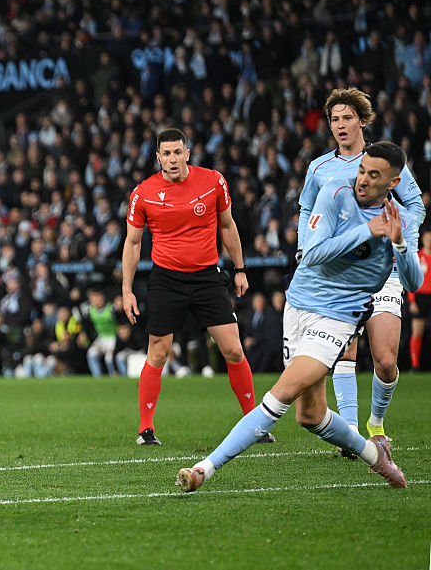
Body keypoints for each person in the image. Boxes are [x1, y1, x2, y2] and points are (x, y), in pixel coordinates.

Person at [178, 142, 418, 492]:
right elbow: (314, 253)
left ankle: (205, 468)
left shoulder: (403, 220)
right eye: (362, 169)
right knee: (311, 415)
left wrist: (397, 243)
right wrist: (368, 231)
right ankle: (375, 455)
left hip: (337, 318)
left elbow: (412, 281)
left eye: (374, 175)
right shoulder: (336, 194)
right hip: (299, 306)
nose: (362, 179)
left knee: (281, 394)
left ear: (393, 183)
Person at [122, 128, 270, 446]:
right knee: (158, 353)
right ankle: (145, 430)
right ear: (158, 157)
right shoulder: (143, 192)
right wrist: (126, 289)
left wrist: (240, 269)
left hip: (207, 277)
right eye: (166, 153)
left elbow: (228, 225)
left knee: (232, 348)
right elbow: (133, 243)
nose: (172, 158)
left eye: (178, 152)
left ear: (187, 153)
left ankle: (253, 424)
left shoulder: (213, 181)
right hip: (166, 279)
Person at [296, 88, 425, 454]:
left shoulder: (383, 160)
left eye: (347, 118)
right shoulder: (319, 168)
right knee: (345, 351)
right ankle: (351, 432)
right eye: (335, 118)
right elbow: (306, 209)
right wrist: (305, 246)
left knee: (385, 362)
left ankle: (377, 422)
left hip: (383, 268)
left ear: (362, 121)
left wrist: (402, 236)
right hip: (341, 272)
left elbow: (414, 202)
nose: (340, 125)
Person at [405, 231, 431, 371]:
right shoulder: (417, 256)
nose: (429, 241)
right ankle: (415, 365)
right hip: (420, 297)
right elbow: (411, 279)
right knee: (417, 332)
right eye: (427, 238)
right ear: (423, 239)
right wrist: (412, 300)